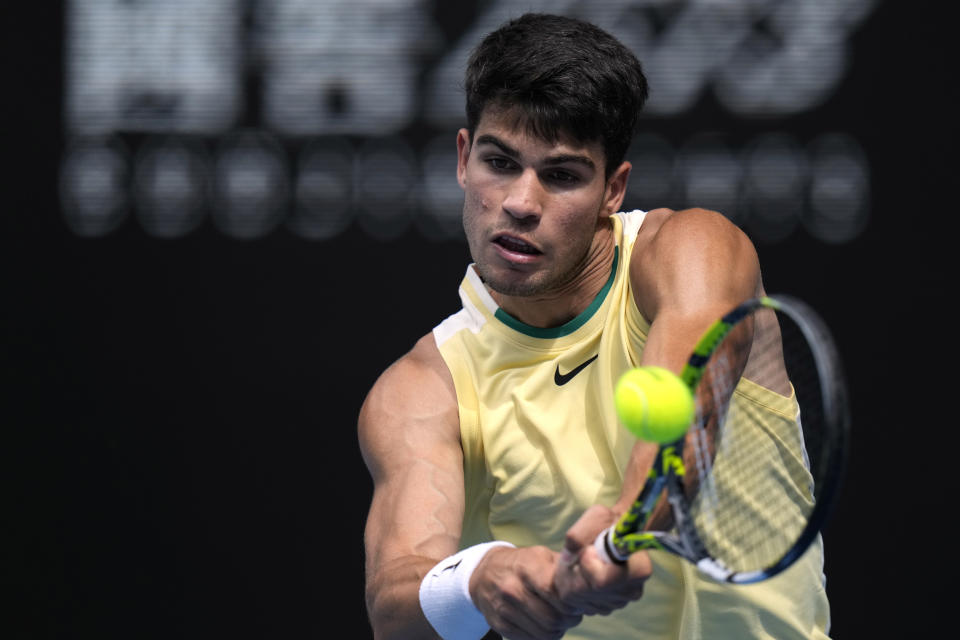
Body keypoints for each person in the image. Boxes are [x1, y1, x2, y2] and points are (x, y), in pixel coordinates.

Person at [359, 12, 831, 640]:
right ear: (464, 159)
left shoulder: (693, 251)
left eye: (561, 176)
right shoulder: (423, 390)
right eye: (500, 163)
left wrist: (623, 529)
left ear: (614, 188)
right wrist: (478, 577)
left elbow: (686, 406)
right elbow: (394, 601)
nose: (522, 203)